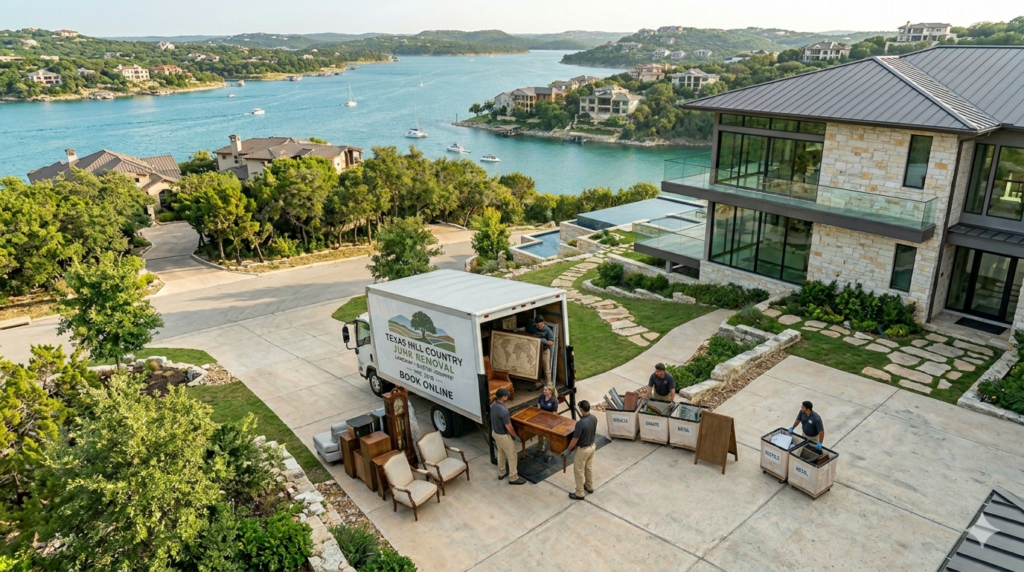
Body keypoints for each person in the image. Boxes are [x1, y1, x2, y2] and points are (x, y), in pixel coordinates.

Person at [491, 388, 526, 485]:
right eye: (506, 396)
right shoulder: (504, 410)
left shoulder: (493, 406)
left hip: (495, 433)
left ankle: (502, 472)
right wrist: (515, 436)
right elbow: (509, 427)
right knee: (512, 455)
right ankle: (513, 478)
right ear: (503, 397)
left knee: (501, 453)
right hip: (503, 436)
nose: (507, 397)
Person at [563, 400, 597, 500]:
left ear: (581, 409)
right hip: (592, 447)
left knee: (579, 471)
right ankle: (589, 486)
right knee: (588, 467)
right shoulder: (594, 418)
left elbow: (575, 439)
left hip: (583, 450)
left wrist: (568, 450)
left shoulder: (580, 423)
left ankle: (579, 493)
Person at [517, 316, 555, 391]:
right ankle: (538, 384)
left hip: (544, 351)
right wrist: (519, 329)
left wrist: (546, 341)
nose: (539, 327)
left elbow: (552, 342)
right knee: (535, 368)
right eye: (537, 325)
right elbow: (526, 329)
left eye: (540, 325)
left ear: (543, 323)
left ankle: (550, 386)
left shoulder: (547, 330)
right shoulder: (533, 327)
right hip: (535, 351)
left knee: (546, 369)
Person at [536, 386, 559, 461]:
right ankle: (540, 449)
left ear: (550, 391)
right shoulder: (541, 397)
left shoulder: (554, 400)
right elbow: (538, 407)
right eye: (543, 389)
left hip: (550, 421)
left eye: (546, 390)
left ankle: (550, 453)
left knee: (549, 437)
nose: (544, 391)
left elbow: (554, 413)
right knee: (540, 434)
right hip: (541, 420)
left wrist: (550, 422)